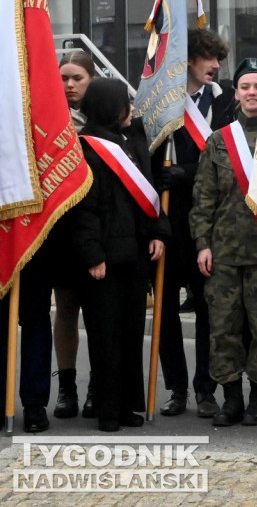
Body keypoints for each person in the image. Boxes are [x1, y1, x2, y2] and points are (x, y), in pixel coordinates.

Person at [189, 58, 257, 427]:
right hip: (224, 254)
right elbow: (204, 199)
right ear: (236, 93)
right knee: (224, 328)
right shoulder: (219, 140)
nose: (252, 93)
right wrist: (202, 243)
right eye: (246, 87)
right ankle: (231, 397)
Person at [74, 78, 169, 432]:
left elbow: (148, 193)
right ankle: (107, 409)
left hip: (135, 254)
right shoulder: (87, 148)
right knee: (105, 336)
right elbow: (85, 209)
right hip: (103, 259)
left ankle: (130, 404)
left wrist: (159, 232)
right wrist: (92, 254)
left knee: (131, 334)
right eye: (124, 102)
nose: (130, 108)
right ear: (109, 106)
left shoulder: (132, 142)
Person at [155, 28, 234, 419]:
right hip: (169, 223)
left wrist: (186, 173)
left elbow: (231, 162)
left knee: (207, 309)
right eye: (209, 58)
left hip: (209, 225)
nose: (217, 66)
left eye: (219, 59)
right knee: (166, 309)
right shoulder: (162, 105)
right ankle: (176, 388)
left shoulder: (226, 104)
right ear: (188, 60)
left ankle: (206, 388)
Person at [52, 51, 97, 419]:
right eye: (64, 78)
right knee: (66, 308)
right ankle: (67, 387)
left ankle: (99, 384)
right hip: (62, 231)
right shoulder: (49, 121)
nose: (69, 85)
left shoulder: (108, 118)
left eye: (77, 78)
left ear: (91, 80)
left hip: (98, 232)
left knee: (100, 314)